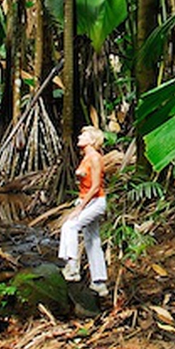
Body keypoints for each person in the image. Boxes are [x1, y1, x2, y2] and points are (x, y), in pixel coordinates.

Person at [59, 125, 110, 291]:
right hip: (88, 201)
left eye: (84, 135)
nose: (80, 137)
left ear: (92, 140)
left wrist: (79, 208)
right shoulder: (87, 157)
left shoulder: (95, 157)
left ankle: (72, 268)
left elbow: (96, 186)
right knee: (92, 239)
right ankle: (99, 282)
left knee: (70, 226)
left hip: (95, 202)